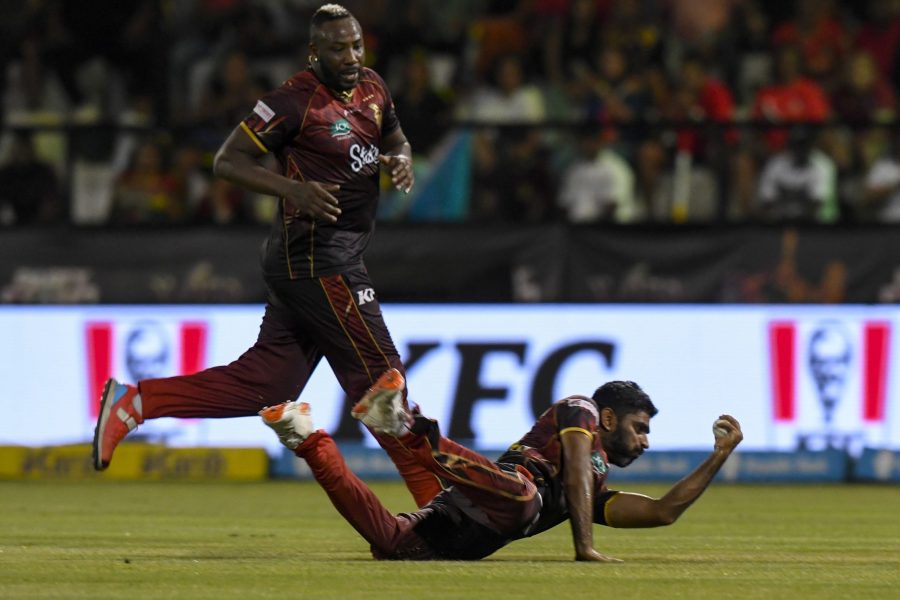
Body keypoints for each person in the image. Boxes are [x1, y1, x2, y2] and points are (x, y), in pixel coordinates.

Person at [92, 4, 439, 507]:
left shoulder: (373, 87)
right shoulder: (293, 101)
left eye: (356, 45)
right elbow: (225, 160)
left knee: (264, 384)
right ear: (314, 52)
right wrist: (291, 191)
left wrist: (401, 160)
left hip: (314, 263)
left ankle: (135, 402)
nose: (350, 56)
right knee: (382, 383)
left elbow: (397, 138)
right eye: (338, 48)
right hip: (320, 259)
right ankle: (438, 506)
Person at [260, 368, 744, 562]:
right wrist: (585, 548)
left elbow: (662, 512)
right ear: (611, 417)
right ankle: (406, 424)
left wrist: (718, 456)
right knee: (524, 499)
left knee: (388, 545)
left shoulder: (590, 493)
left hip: (456, 535)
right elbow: (575, 467)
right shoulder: (582, 410)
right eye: (640, 428)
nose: (644, 442)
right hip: (500, 496)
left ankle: (303, 437)